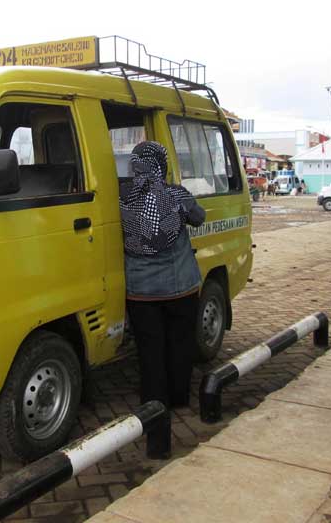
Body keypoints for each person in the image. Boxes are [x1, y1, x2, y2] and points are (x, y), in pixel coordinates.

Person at [119, 141, 205, 456]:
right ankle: (180, 396)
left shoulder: (122, 197)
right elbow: (199, 217)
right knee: (180, 343)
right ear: (162, 164)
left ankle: (154, 402)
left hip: (140, 291)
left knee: (149, 348)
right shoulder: (176, 194)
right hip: (179, 286)